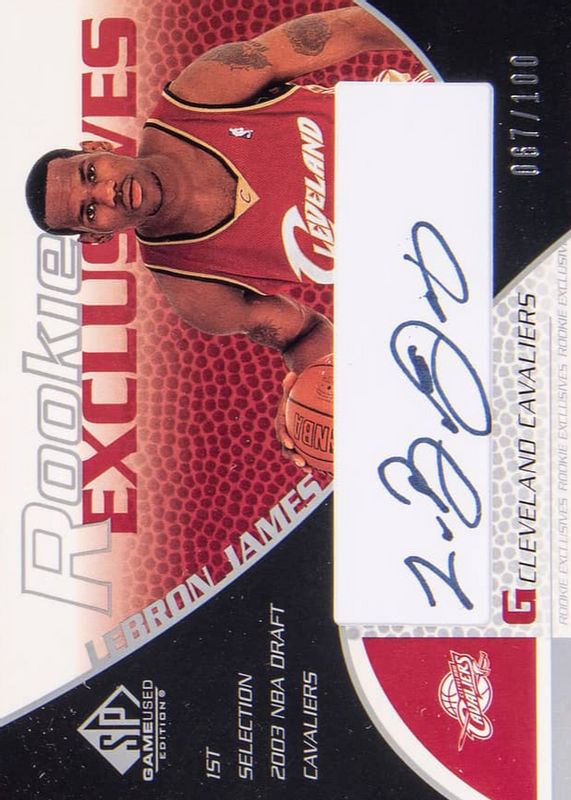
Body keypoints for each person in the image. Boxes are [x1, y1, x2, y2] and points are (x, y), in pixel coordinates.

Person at [26, 5, 411, 464]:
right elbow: (302, 333)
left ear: (98, 147)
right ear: (95, 238)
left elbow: (351, 30)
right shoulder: (196, 291)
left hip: (428, 127)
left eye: (91, 173)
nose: (107, 192)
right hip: (431, 243)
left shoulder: (200, 96)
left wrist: (452, 34)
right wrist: (311, 391)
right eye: (90, 212)